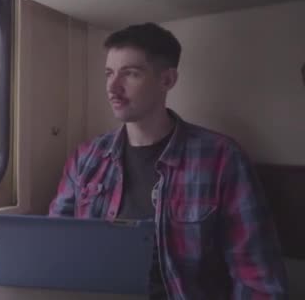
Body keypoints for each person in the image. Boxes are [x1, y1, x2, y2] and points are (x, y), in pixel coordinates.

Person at [48, 23, 288, 299]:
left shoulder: (221, 159)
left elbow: (258, 281)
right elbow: (57, 250)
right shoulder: (86, 159)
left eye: (131, 74)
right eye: (109, 74)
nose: (113, 87)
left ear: (167, 80)